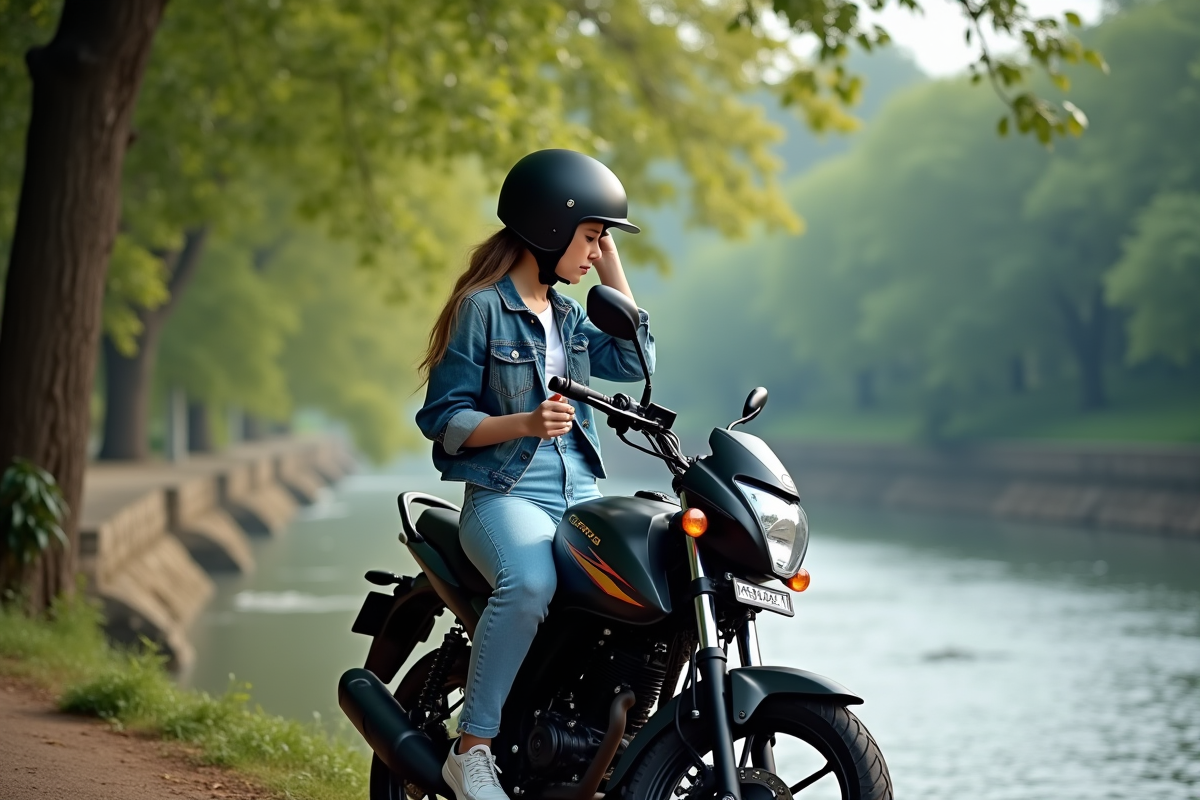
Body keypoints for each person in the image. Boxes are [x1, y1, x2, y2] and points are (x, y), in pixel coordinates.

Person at [415, 149, 655, 800]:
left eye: (601, 241)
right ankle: (472, 750)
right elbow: (443, 418)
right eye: (590, 237)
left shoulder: (571, 317)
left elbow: (634, 360)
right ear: (550, 229)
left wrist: (613, 258)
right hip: (505, 495)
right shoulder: (481, 309)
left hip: (581, 495)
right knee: (530, 582)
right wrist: (522, 422)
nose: (595, 252)